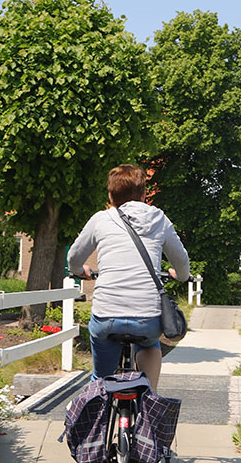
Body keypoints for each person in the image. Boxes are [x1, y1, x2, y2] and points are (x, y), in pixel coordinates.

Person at [67, 164, 190, 392]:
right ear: (144, 194)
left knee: (100, 378)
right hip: (147, 318)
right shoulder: (159, 219)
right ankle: (148, 399)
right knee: (151, 343)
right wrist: (180, 276)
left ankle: (100, 405)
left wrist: (78, 270)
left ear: (110, 196)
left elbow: (73, 257)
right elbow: (182, 263)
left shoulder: (100, 220)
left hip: (107, 316)